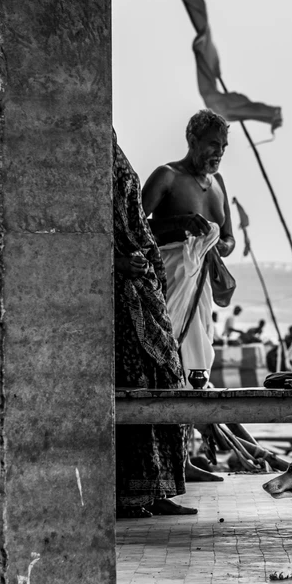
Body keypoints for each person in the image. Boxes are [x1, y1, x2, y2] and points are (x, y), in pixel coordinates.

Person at [112, 132, 197, 517]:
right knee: (134, 388)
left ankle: (160, 488)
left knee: (165, 381)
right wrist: (117, 261)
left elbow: (135, 223)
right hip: (121, 295)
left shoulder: (114, 157)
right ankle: (132, 495)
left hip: (145, 285)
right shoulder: (81, 158)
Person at [142, 109, 236, 377]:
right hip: (168, 279)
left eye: (224, 146)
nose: (219, 152)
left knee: (197, 358)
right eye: (214, 145)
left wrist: (219, 246)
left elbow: (229, 238)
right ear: (193, 141)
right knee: (165, 351)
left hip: (201, 281)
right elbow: (131, 228)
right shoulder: (167, 175)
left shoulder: (218, 183)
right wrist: (180, 224)